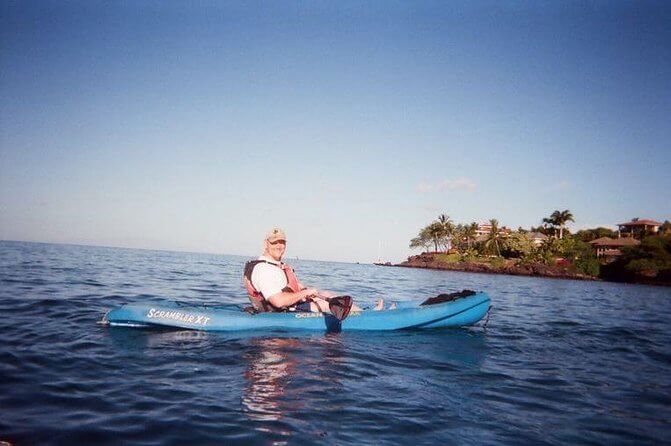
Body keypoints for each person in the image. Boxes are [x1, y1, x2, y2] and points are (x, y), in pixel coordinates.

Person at [244, 228, 368, 314]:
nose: (279, 246)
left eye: (282, 242)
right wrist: (305, 293)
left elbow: (284, 287)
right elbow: (278, 301)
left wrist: (303, 290)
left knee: (327, 294)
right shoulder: (264, 269)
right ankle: (367, 319)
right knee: (325, 304)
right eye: (274, 242)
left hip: (287, 307)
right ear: (266, 244)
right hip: (278, 314)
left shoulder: (274, 265)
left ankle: (363, 313)